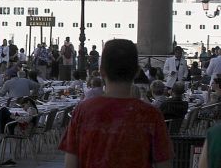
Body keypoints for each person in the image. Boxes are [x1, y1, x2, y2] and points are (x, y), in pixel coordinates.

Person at [59, 38, 171, 168]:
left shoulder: (82, 111)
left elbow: (71, 163)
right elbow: (164, 164)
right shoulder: (152, 115)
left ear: (102, 71)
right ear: (137, 71)